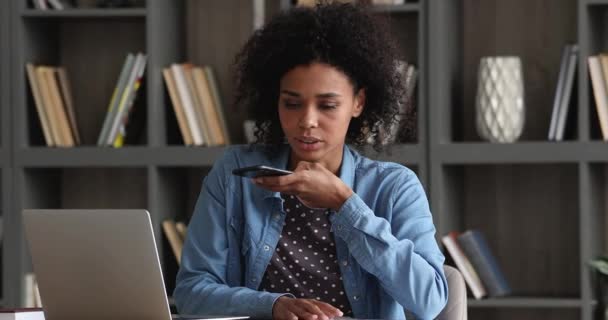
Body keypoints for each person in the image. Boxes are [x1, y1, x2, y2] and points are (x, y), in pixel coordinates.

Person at [173, 2, 448, 320]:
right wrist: (272, 305)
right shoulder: (235, 174)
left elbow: (430, 301)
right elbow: (191, 292)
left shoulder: (395, 186)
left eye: (327, 105)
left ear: (358, 102)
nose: (307, 121)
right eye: (291, 103)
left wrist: (344, 204)